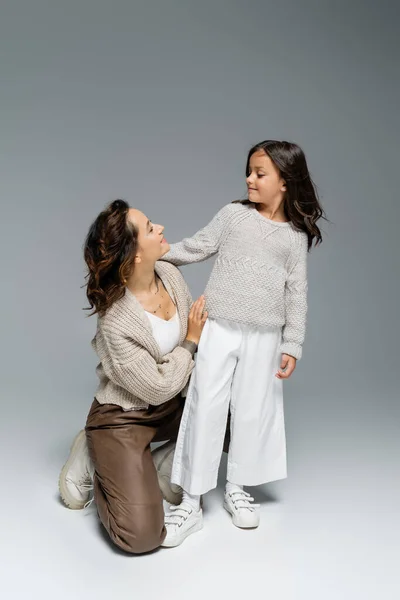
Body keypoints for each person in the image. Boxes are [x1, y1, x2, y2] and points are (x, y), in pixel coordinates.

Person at [160, 140, 326, 547]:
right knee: (205, 405)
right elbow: (197, 246)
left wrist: (293, 344)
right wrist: (158, 255)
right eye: (248, 171)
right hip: (219, 327)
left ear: (285, 182)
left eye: (259, 173)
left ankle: (238, 486)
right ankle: (191, 501)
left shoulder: (294, 237)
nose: (249, 179)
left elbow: (297, 294)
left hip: (266, 336)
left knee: (254, 410)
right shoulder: (233, 216)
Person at [58, 199, 215, 554]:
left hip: (171, 405)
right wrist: (190, 341)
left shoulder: (170, 276)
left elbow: (175, 379)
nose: (159, 228)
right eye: (149, 228)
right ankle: (96, 457)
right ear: (134, 255)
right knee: (142, 537)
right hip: (124, 419)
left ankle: (160, 461)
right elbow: (158, 387)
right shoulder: (116, 319)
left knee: (238, 415)